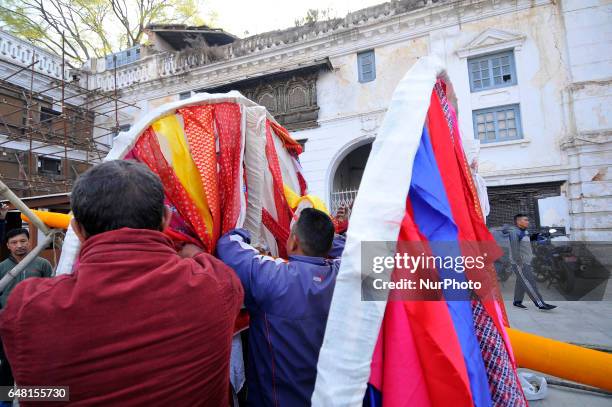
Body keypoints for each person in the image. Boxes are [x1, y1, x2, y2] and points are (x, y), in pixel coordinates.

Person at [0, 160, 244, 406]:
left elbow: (33, 392)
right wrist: (194, 252)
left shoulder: (27, 306)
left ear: (76, 229)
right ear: (166, 219)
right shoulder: (216, 285)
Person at [216, 208, 345, 406]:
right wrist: (323, 238)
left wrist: (245, 232)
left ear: (293, 241)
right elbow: (364, 250)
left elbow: (228, 244)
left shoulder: (272, 276)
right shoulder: (343, 276)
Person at [509, 214, 556, 310]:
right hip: (520, 263)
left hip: (526, 261)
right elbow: (514, 249)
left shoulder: (524, 232)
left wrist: (543, 235)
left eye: (527, 220)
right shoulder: (514, 232)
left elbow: (529, 238)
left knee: (521, 281)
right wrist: (519, 262)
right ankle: (540, 303)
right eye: (525, 220)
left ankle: (517, 301)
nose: (527, 222)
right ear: (518, 221)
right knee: (529, 282)